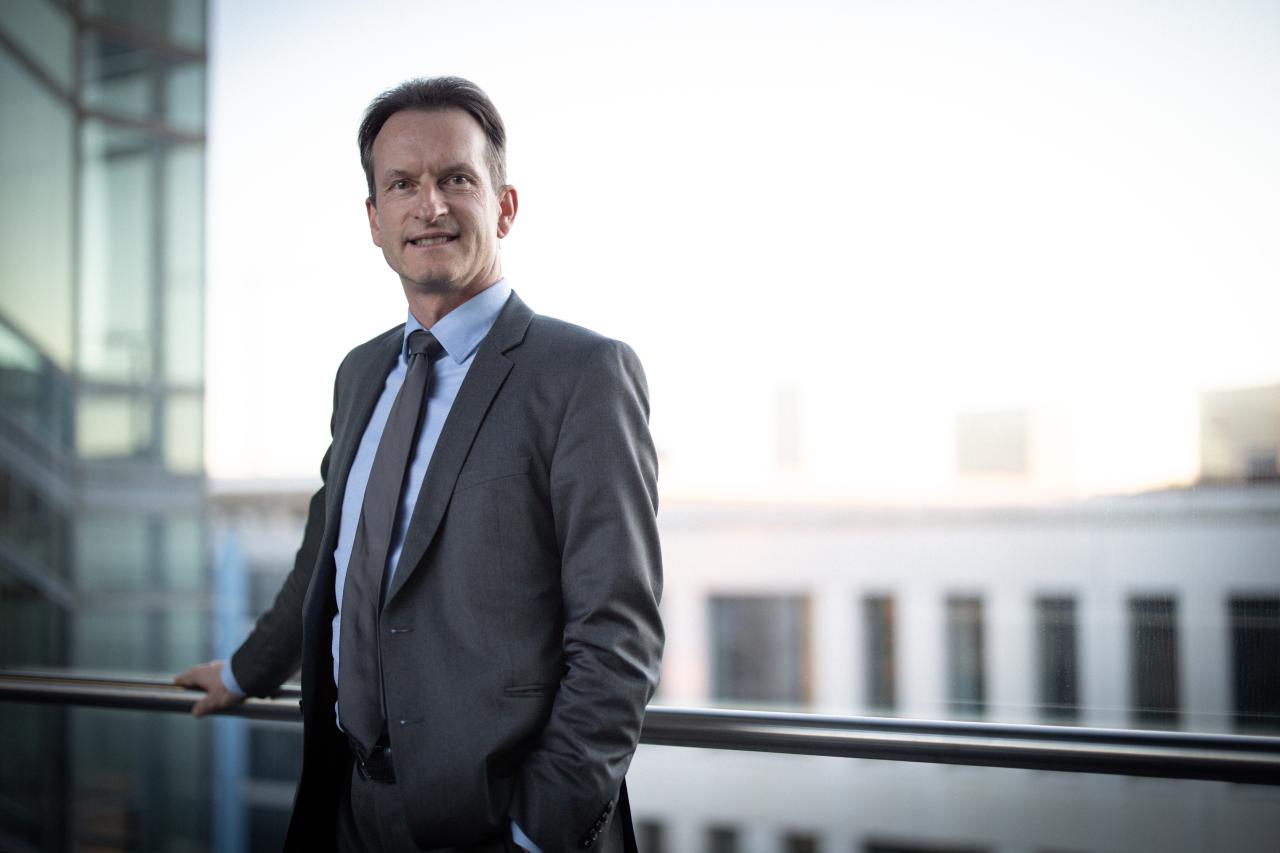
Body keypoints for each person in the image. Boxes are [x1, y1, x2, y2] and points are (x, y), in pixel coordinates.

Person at [176, 76, 664, 853]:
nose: (429, 205)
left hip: (495, 819)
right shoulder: (361, 372)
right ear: (374, 219)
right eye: (402, 184)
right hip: (351, 803)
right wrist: (242, 672)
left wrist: (537, 831)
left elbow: (617, 633)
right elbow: (327, 561)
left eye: (456, 179)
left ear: (505, 206)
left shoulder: (582, 373)